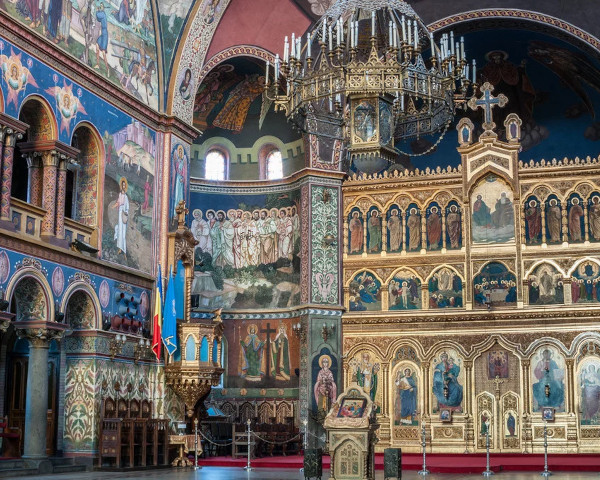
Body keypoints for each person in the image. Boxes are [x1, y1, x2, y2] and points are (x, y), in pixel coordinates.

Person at [112, 177, 129, 258]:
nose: (123, 186)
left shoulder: (126, 197)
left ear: (125, 186)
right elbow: (118, 203)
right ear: (121, 186)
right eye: (122, 185)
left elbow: (127, 207)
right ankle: (119, 248)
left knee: (123, 233)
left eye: (124, 185)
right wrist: (113, 206)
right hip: (120, 213)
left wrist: (126, 212)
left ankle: (124, 251)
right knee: (119, 231)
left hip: (123, 215)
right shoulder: (120, 195)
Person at [171, 145, 187, 219]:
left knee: (180, 195)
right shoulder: (178, 162)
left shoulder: (183, 162)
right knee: (177, 194)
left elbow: (184, 172)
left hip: (180, 179)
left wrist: (183, 178)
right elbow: (176, 168)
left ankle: (180, 213)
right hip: (177, 178)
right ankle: (175, 213)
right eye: (179, 152)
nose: (180, 153)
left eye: (181, 152)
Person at [94, 3, 110, 73]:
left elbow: (98, 15)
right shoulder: (102, 14)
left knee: (103, 53)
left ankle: (107, 69)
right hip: (103, 33)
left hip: (105, 35)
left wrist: (97, 10)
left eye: (101, 6)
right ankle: (98, 64)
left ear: (103, 8)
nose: (100, 7)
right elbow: (98, 19)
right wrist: (98, 11)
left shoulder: (103, 14)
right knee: (97, 45)